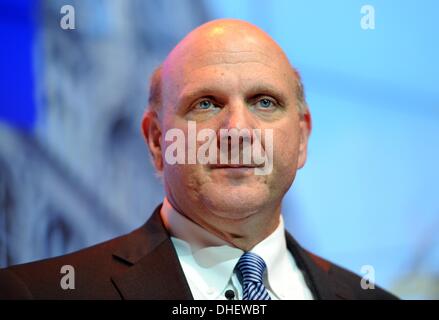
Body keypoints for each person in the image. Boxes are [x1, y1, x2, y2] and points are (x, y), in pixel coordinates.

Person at [0, 19, 397, 300]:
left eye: (265, 102)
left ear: (302, 138)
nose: (237, 130)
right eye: (205, 104)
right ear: (157, 140)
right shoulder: (40, 293)